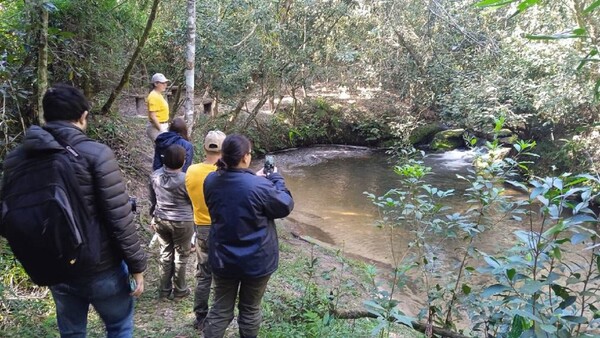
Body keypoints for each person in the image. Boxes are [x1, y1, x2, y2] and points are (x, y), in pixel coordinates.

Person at [2, 84, 147, 336]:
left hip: (52, 266)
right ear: (83, 116)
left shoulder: (16, 159)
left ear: (46, 116)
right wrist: (137, 266)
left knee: (72, 332)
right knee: (119, 324)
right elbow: (119, 217)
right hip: (101, 265)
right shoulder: (96, 154)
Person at [202, 134, 294, 338]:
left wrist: (254, 177)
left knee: (220, 309)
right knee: (250, 310)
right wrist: (276, 179)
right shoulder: (260, 187)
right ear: (245, 157)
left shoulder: (210, 180)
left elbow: (234, 188)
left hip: (223, 258)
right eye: (250, 154)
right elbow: (284, 204)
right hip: (257, 260)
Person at [184, 130, 226, 330]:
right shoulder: (224, 174)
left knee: (203, 274)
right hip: (222, 228)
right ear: (224, 150)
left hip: (201, 227)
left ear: (204, 148)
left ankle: (200, 317)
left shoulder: (191, 170)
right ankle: (218, 318)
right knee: (222, 276)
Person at [149, 144, 194, 300]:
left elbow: (152, 199)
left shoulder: (155, 175)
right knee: (181, 256)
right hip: (182, 221)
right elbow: (193, 201)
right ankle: (180, 290)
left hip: (161, 219)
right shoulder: (186, 179)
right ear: (183, 161)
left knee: (165, 254)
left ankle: (164, 290)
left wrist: (152, 216)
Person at [146, 72, 170, 141]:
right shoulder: (153, 96)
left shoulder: (158, 95)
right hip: (156, 127)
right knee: (163, 149)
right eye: (162, 83)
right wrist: (161, 129)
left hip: (162, 126)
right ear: (156, 84)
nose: (165, 85)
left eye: (166, 83)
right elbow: (153, 116)